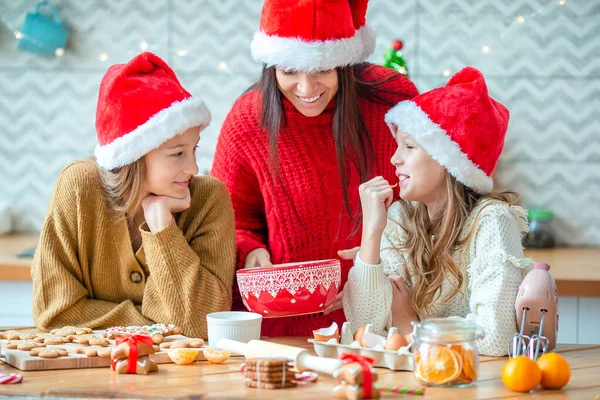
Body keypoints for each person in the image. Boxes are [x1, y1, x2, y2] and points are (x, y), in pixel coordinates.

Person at [211, 0, 419, 336]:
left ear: (344, 63)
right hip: (281, 330)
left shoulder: (392, 101)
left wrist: (382, 252)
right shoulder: (249, 119)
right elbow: (227, 220)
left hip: (380, 324)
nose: (307, 89)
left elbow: (430, 203)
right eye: (289, 71)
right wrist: (251, 251)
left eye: (321, 69)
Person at [32, 52, 236, 338]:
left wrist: (163, 230)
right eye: (177, 153)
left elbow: (202, 325)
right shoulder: (79, 187)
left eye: (194, 149)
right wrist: (154, 324)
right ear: (135, 156)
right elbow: (55, 313)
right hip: (90, 375)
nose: (193, 167)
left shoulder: (209, 200)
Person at [343, 66, 531, 356]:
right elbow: (365, 329)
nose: (394, 159)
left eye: (409, 147)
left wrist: (410, 328)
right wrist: (372, 232)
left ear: (447, 160)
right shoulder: (400, 218)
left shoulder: (492, 222)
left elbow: (494, 338)